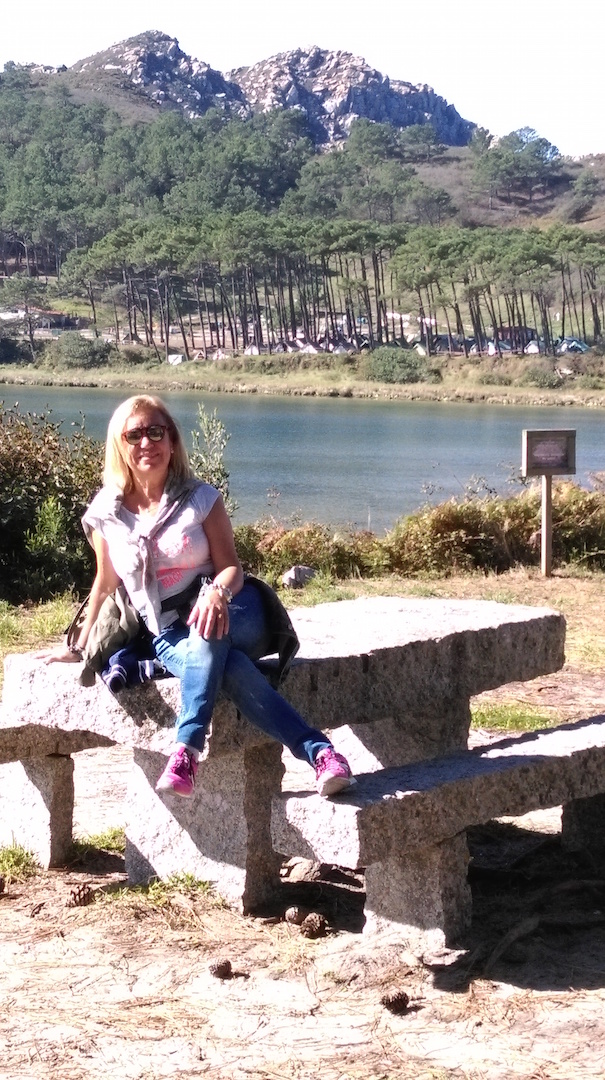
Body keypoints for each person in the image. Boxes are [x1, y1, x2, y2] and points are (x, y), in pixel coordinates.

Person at [38, 394, 354, 799]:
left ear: (172, 441)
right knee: (229, 666)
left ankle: (185, 750)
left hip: (237, 610)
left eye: (156, 432)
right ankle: (322, 753)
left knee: (209, 630)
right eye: (134, 435)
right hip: (170, 632)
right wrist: (79, 646)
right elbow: (104, 582)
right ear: (120, 444)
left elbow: (232, 568)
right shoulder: (106, 513)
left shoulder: (201, 498)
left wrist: (216, 593)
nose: (146, 442)